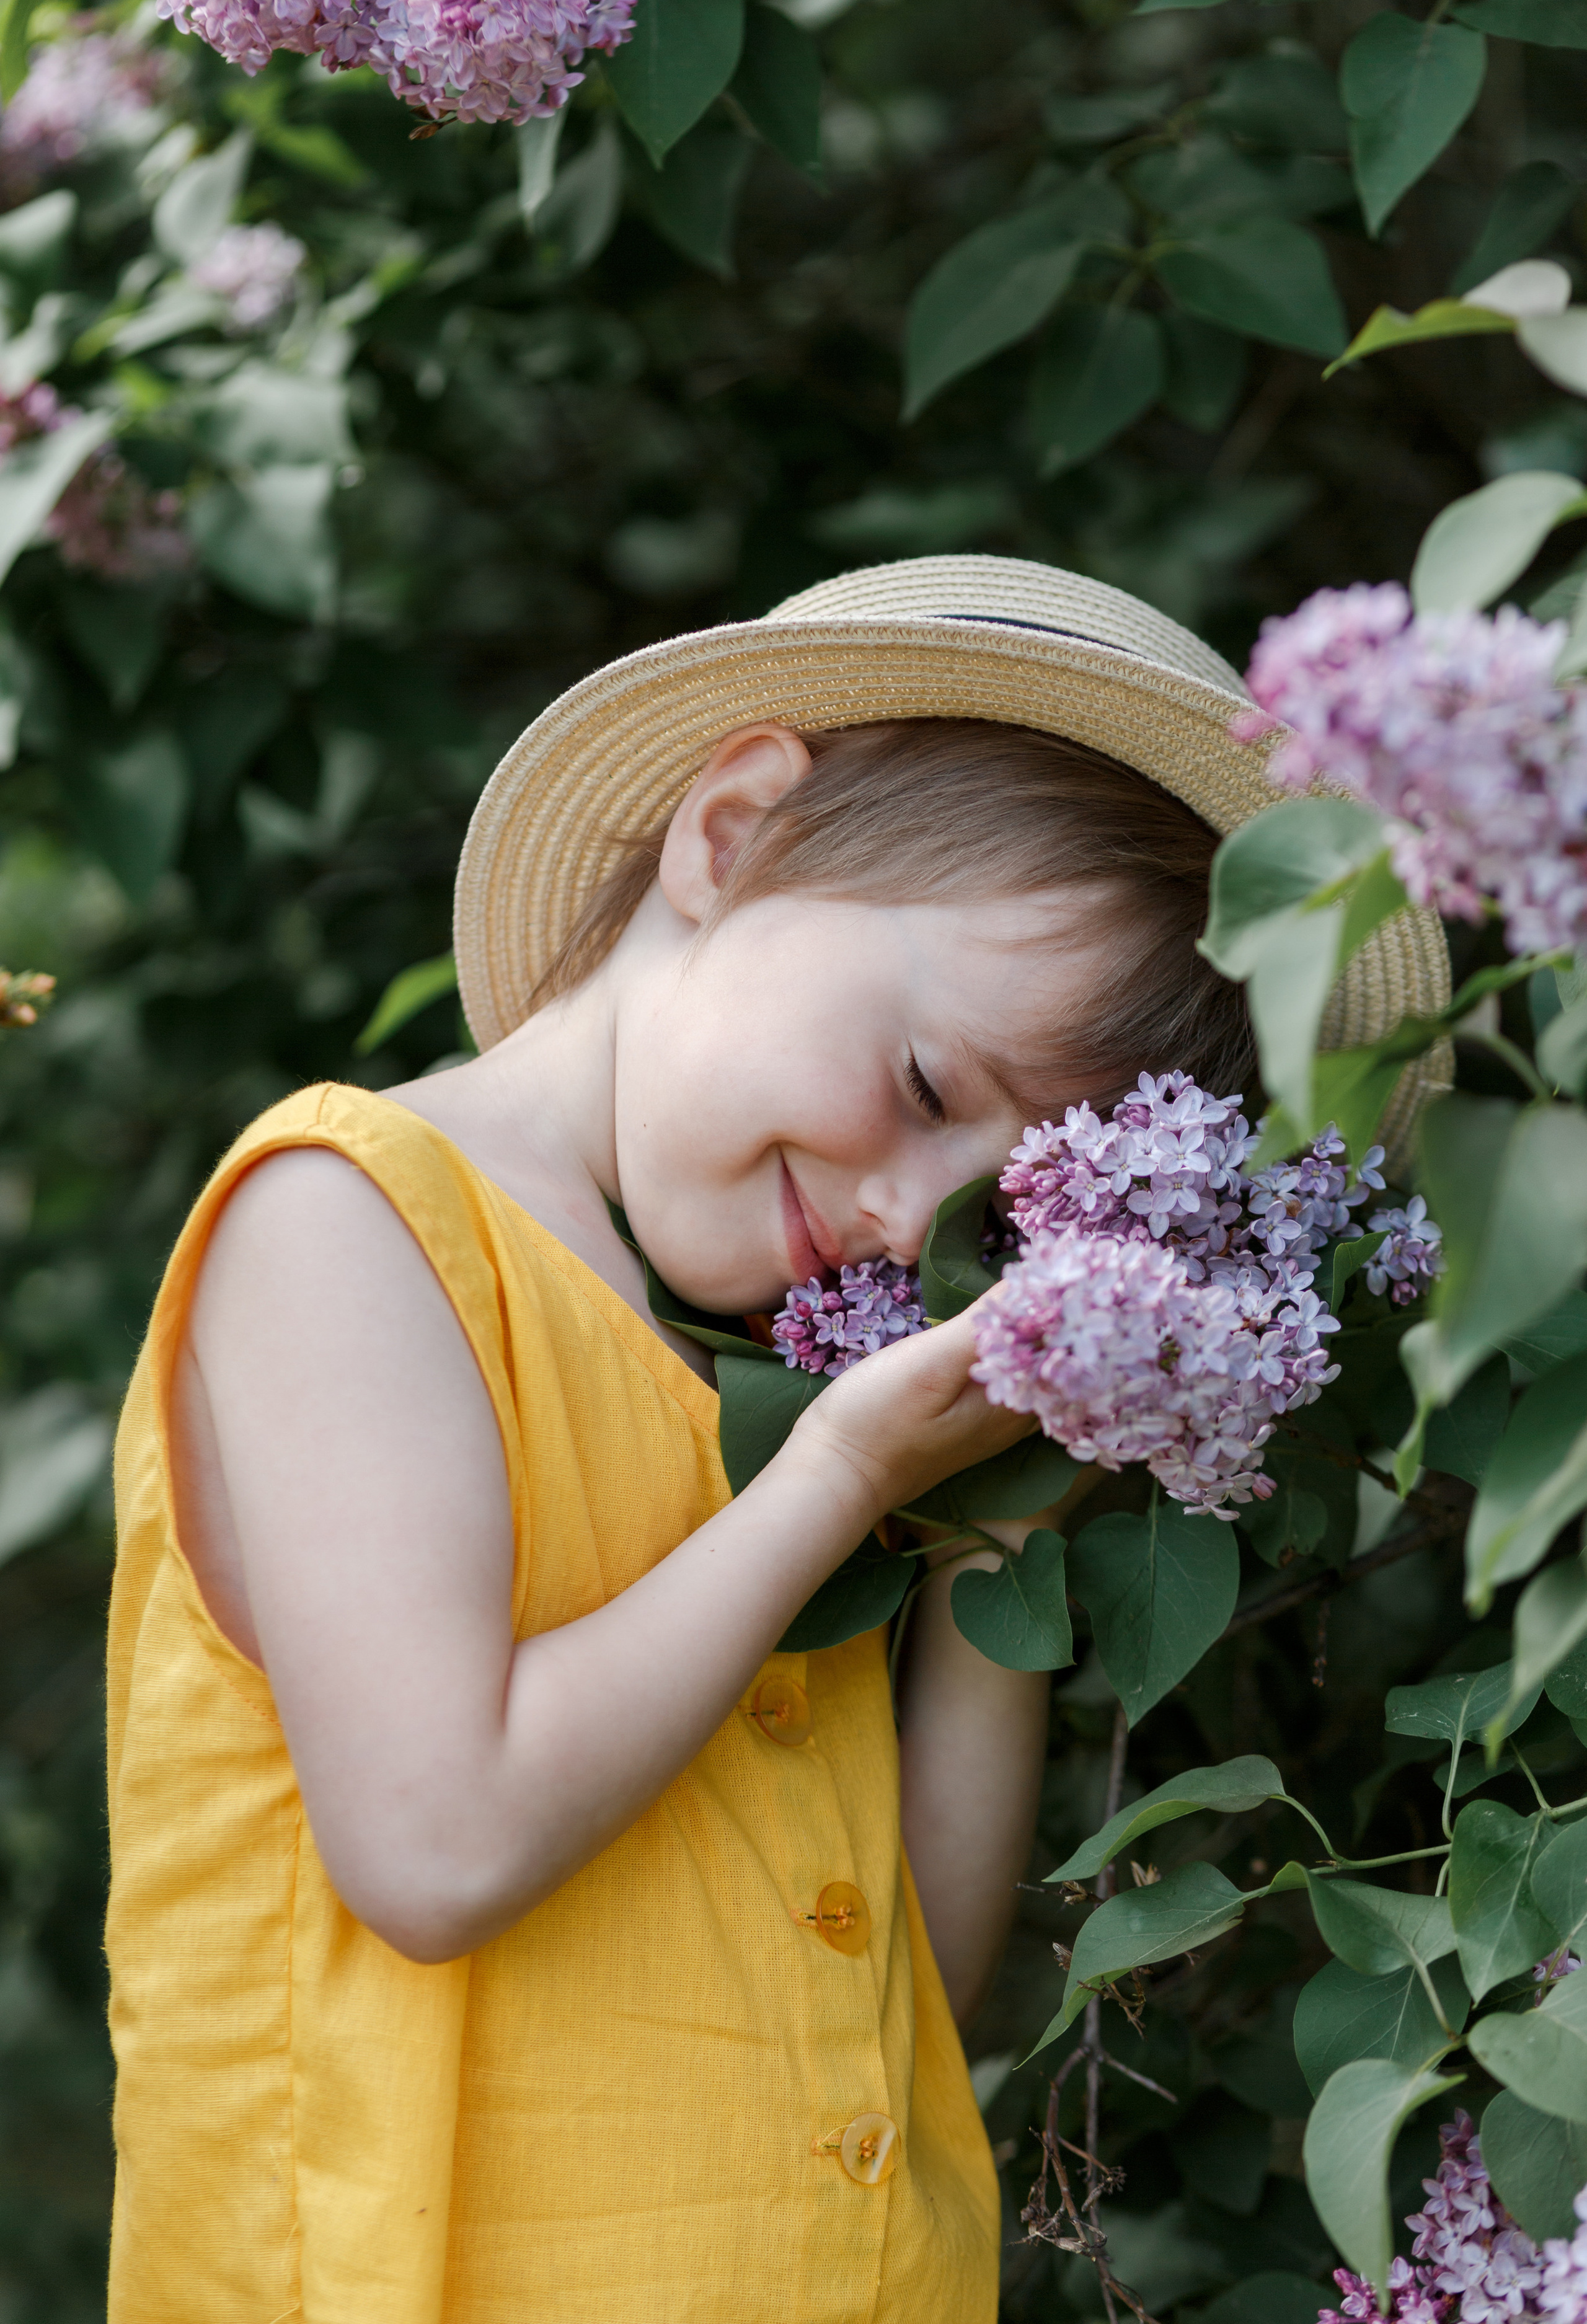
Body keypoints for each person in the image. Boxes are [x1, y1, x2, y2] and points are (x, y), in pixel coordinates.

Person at [102, 555, 1444, 2324]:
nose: (910, 1222)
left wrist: (992, 1513)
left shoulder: (794, 1383)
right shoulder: (352, 1222)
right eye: (928, 1093)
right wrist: (836, 1486)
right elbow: (432, 1850)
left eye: (1009, 1218)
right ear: (728, 832)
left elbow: (909, 1987)